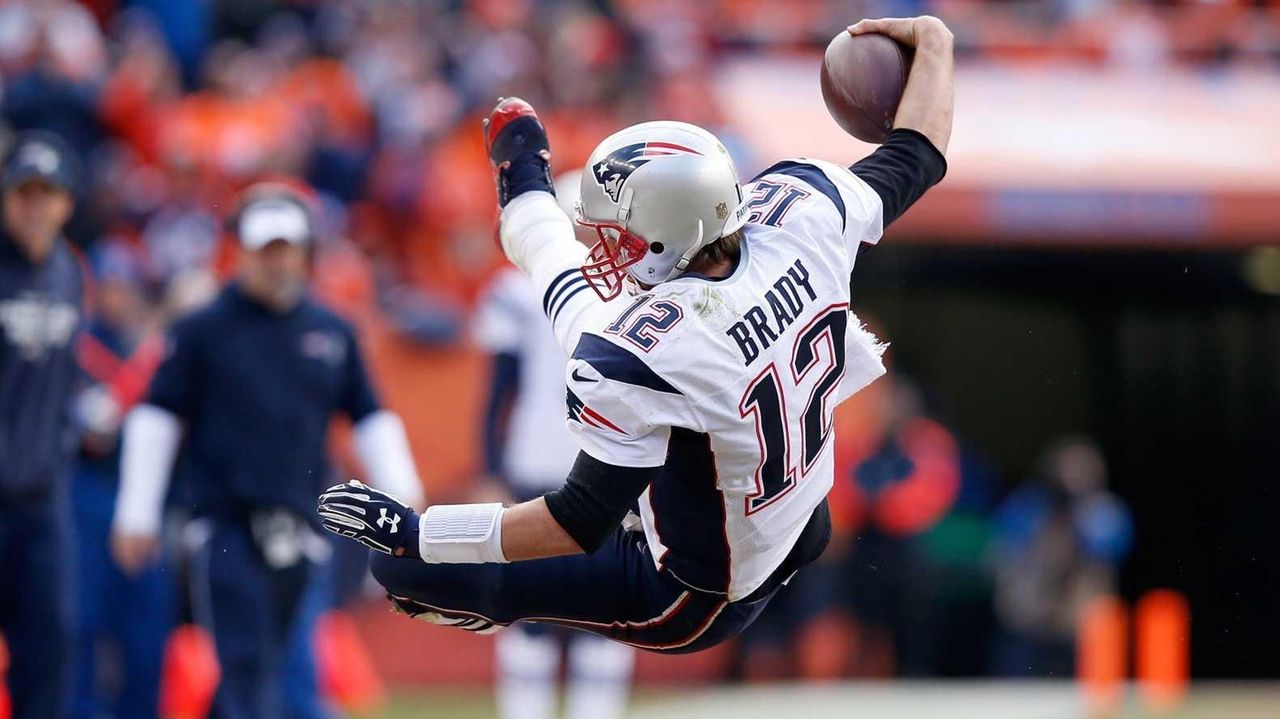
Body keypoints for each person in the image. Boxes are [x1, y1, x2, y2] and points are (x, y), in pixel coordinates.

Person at [318, 15, 954, 652]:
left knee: (399, 570)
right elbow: (919, 152)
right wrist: (934, 41)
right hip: (797, 519)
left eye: (618, 235)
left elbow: (576, 521)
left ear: (664, 234)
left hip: (693, 592)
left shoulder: (647, 349)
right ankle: (527, 194)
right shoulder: (803, 211)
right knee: (581, 307)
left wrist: (420, 532)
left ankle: (490, 605)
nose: (606, 249)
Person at [111, 183, 424, 718]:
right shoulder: (203, 330)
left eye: (287, 248)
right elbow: (155, 416)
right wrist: (137, 511)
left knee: (291, 669)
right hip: (225, 527)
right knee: (246, 667)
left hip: (304, 526)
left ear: (305, 252)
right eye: (266, 249)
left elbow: (369, 414)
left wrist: (403, 498)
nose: (278, 262)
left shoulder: (331, 330)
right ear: (240, 251)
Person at [475, 172, 634, 719]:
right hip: (554, 462)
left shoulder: (642, 288)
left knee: (601, 615)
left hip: (603, 464)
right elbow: (498, 389)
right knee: (533, 612)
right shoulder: (518, 291)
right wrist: (490, 464)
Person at [0, 130, 84, 719]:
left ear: (66, 204)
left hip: (42, 497)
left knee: (50, 648)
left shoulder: (68, 272)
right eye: (24, 194)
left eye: (46, 195)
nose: (35, 208)